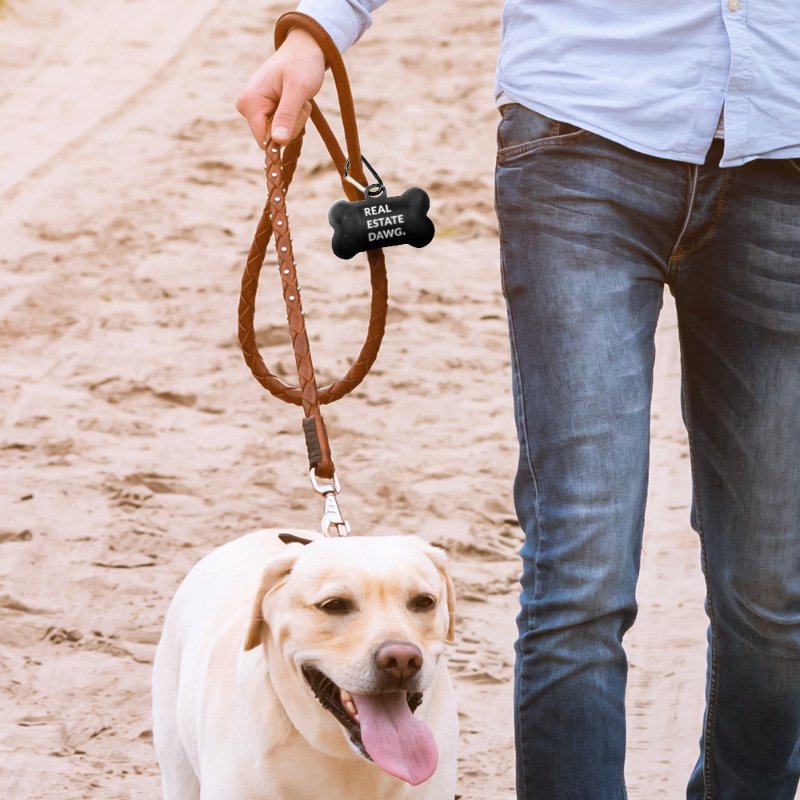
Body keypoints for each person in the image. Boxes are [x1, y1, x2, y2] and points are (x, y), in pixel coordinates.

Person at [235, 2, 800, 797]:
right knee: (584, 569)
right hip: (583, 138)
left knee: (774, 592)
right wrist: (318, 26)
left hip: (784, 155)